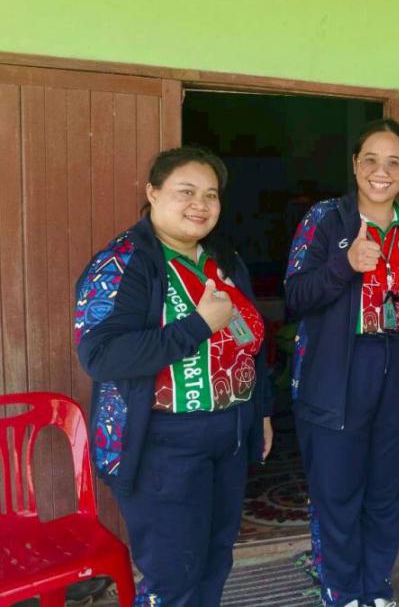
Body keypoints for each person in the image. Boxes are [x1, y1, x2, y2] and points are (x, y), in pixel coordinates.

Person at [74, 146, 273, 606]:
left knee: (215, 561)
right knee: (173, 576)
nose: (200, 204)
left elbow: (252, 344)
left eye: (211, 194)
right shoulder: (124, 262)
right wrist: (198, 326)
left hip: (229, 434)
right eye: (186, 191)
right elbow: (101, 355)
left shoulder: (223, 259)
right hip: (162, 443)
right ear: (153, 192)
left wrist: (260, 412)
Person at [284, 118, 399, 607]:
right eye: (370, 159)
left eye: (393, 162)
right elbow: (295, 295)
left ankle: (376, 587)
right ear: (354, 165)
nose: (381, 171)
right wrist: (344, 265)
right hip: (340, 371)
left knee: (387, 490)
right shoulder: (327, 220)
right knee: (338, 490)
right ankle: (344, 591)